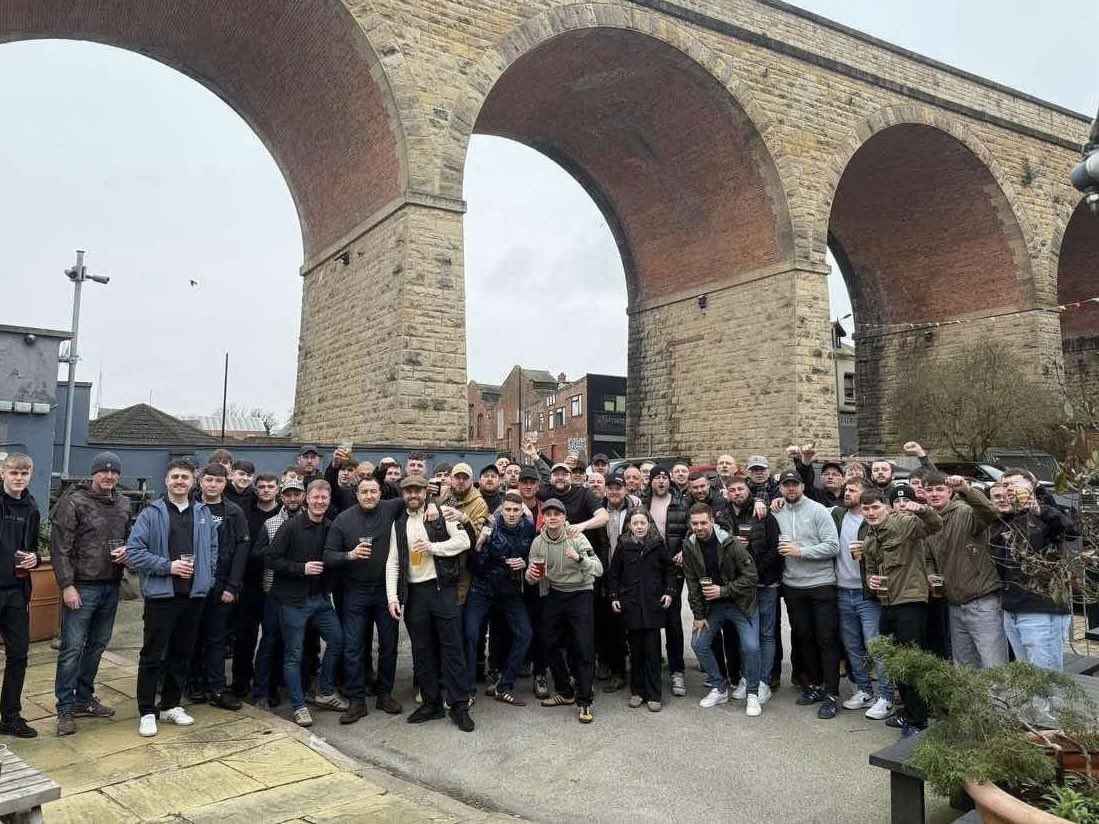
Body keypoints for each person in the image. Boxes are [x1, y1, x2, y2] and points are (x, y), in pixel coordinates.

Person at [127, 460, 218, 737]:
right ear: (166, 480)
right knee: (153, 655)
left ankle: (170, 705)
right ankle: (147, 711)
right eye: (175, 476)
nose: (180, 481)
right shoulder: (151, 513)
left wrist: (208, 577)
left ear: (193, 482)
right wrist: (168, 566)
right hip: (161, 596)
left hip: (193, 595)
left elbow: (212, 549)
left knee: (182, 654)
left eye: (185, 477)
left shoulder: (202, 513)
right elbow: (134, 551)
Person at [51, 452, 131, 736]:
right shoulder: (74, 501)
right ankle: (64, 708)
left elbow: (132, 538)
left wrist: (129, 553)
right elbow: (60, 547)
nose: (109, 476)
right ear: (94, 473)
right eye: (103, 472)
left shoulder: (124, 503)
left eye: (114, 472)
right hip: (82, 586)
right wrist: (67, 585)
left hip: (111, 584)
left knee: (97, 646)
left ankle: (84, 698)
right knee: (72, 648)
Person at [386, 475, 474, 731]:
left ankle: (459, 706)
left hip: (441, 589)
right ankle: (431, 703)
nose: (413, 495)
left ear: (426, 492)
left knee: (452, 649)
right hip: (414, 594)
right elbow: (393, 561)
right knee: (422, 652)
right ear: (403, 495)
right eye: (408, 491)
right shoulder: (399, 523)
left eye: (417, 490)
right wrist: (393, 597)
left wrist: (433, 547)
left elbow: (464, 542)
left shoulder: (442, 514)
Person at [323, 475, 406, 722]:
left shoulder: (390, 508)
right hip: (355, 591)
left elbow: (416, 497)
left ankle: (384, 694)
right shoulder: (343, 519)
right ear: (356, 495)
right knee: (353, 647)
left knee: (389, 645)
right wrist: (349, 555)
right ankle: (357, 700)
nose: (369, 496)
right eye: (364, 492)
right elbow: (328, 555)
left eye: (373, 491)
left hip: (385, 590)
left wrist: (432, 504)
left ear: (381, 493)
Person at [267, 480, 349, 727]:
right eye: (316, 497)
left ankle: (325, 692)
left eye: (324, 497)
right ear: (307, 499)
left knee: (338, 640)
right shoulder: (290, 526)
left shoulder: (331, 527)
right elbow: (271, 559)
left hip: (320, 600)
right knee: (294, 654)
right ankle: (298, 706)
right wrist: (301, 568)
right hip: (293, 601)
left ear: (329, 500)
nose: (320, 501)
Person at [863, 487, 943, 738]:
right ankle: (909, 713)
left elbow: (935, 524)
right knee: (895, 662)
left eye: (875, 507)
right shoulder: (870, 536)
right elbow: (871, 569)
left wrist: (921, 508)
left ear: (886, 507)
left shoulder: (904, 523)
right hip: (887, 603)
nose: (871, 512)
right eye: (866, 508)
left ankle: (917, 722)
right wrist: (870, 580)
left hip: (910, 601)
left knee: (911, 662)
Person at [991, 469, 1079, 673]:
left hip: (1041, 610)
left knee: (1045, 677)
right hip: (1012, 608)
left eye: (1015, 484)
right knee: (1029, 678)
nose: (1009, 489)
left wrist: (1038, 509)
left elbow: (1071, 532)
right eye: (1005, 485)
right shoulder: (1007, 519)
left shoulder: (1046, 513)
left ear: (1032, 485)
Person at [772, 469, 842, 720]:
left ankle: (831, 693)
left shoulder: (818, 510)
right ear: (780, 488)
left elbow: (833, 546)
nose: (790, 488)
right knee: (804, 638)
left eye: (795, 484)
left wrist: (800, 551)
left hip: (821, 583)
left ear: (802, 486)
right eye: (786, 485)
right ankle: (815, 685)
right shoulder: (777, 511)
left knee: (826, 639)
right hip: (793, 585)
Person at [526, 498, 603, 723]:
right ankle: (565, 691)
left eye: (557, 514)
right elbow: (531, 577)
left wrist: (579, 559)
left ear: (564, 518)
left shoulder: (576, 537)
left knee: (583, 645)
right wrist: (530, 575)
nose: (552, 518)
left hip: (581, 591)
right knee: (547, 642)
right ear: (543, 518)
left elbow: (598, 569)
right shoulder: (538, 542)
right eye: (548, 514)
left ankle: (584, 701)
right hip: (556, 592)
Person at [682, 504, 762, 716]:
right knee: (698, 643)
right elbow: (692, 582)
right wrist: (698, 615)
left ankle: (753, 694)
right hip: (714, 607)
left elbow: (752, 577)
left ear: (712, 521)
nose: (699, 527)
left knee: (751, 647)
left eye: (703, 522)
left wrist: (723, 591)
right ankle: (719, 688)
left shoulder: (730, 542)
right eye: (695, 523)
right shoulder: (689, 545)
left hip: (741, 604)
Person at [922, 472, 1007, 669]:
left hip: (981, 601)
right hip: (954, 603)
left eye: (939, 489)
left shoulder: (965, 511)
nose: (934, 494)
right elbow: (927, 557)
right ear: (923, 494)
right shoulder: (928, 521)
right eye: (929, 490)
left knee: (994, 666)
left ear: (949, 491)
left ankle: (999, 693)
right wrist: (931, 575)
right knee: (964, 668)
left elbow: (990, 513)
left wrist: (967, 490)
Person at [831, 478, 894, 720]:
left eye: (852, 490)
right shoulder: (837, 515)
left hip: (867, 594)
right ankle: (865, 691)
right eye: (846, 489)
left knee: (875, 647)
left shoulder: (875, 520)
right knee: (852, 646)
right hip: (842, 590)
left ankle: (886, 697)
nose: (846, 493)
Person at [464, 491, 534, 706]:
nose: (511, 514)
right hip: (481, 588)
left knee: (525, 633)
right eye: (508, 510)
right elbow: (474, 564)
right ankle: (467, 691)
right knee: (470, 634)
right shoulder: (490, 527)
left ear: (522, 512)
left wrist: (524, 561)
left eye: (516, 510)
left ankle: (505, 686)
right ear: (501, 510)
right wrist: (479, 545)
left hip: (509, 590)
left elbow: (530, 553)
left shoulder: (528, 528)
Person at [189, 464, 250, 710]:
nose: (213, 485)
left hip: (221, 585)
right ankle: (194, 682)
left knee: (216, 639)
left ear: (226, 483)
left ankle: (217, 688)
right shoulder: (190, 506)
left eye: (218, 481)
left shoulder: (234, 512)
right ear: (200, 480)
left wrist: (232, 586)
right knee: (191, 636)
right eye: (209, 480)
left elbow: (242, 549)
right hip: (191, 584)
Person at [717, 476, 781, 699]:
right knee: (746, 636)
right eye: (732, 490)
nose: (737, 493)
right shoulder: (722, 515)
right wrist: (732, 544)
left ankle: (763, 681)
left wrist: (754, 573)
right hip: (740, 586)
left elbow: (775, 548)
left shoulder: (763, 512)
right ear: (727, 493)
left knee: (766, 634)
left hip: (765, 582)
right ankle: (748, 677)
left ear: (748, 490)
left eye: (740, 489)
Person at [609, 509, 675, 711]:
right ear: (630, 525)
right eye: (635, 523)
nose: (639, 526)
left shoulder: (658, 544)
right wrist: (614, 596)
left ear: (649, 524)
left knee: (652, 652)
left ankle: (654, 694)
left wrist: (669, 592)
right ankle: (637, 692)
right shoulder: (623, 544)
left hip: (652, 604)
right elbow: (614, 573)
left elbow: (670, 569)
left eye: (642, 523)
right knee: (635, 651)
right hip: (631, 605)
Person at [248, 478, 305, 707]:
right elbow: (256, 553)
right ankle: (262, 691)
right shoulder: (271, 523)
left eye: (296, 494)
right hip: (274, 591)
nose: (292, 499)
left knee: (296, 645)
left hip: (301, 592)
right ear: (281, 496)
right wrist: (277, 550)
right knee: (269, 642)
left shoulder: (311, 519)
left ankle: (296, 690)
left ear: (303, 497)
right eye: (288, 494)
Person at [230, 473, 283, 698]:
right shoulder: (246, 514)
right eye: (262, 487)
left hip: (276, 584)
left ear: (277, 489)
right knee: (244, 636)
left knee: (273, 637)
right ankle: (240, 681)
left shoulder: (283, 515)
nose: (266, 490)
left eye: (271, 486)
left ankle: (271, 683)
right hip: (249, 582)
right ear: (256, 489)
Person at [0, 454, 41, 738]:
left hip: (16, 591)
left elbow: (33, 546)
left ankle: (10, 717)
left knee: (19, 656)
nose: (19, 477)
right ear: (3, 473)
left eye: (24, 473)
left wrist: (35, 559)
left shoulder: (31, 508)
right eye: (14, 472)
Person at [644, 466, 688, 697]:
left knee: (673, 621)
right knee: (648, 620)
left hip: (673, 568)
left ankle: (677, 670)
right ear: (650, 482)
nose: (661, 482)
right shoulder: (642, 503)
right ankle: (648, 668)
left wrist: (685, 549)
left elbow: (691, 529)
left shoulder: (682, 502)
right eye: (657, 478)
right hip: (650, 569)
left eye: (664, 478)